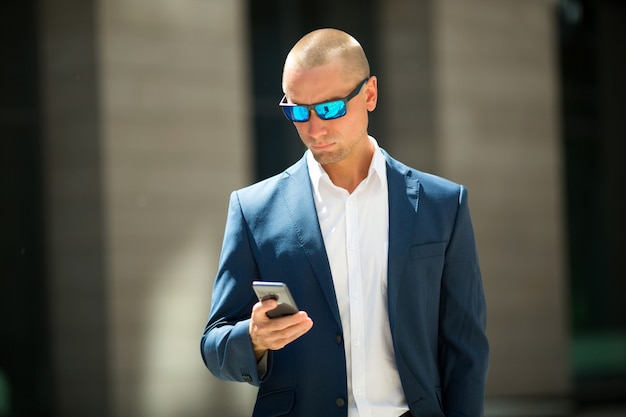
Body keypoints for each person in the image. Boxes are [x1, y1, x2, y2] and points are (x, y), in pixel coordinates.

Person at [201, 28, 489, 417]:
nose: (314, 129)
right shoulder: (253, 210)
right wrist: (252, 338)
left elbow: (465, 349)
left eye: (331, 108)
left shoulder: (443, 206)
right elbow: (213, 345)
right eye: (298, 112)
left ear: (369, 94)